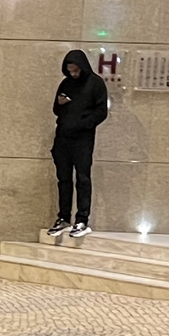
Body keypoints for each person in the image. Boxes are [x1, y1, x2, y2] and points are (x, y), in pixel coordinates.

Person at [48, 49, 109, 241]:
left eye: (75, 70)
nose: (73, 74)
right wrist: (60, 103)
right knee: (63, 179)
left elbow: (101, 112)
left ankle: (82, 219)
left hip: (82, 139)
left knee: (83, 178)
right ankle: (63, 217)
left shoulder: (95, 83)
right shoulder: (66, 83)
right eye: (70, 70)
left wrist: (83, 123)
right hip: (63, 137)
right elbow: (56, 110)